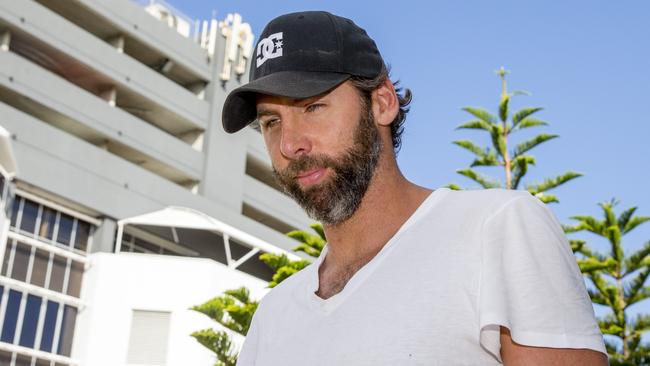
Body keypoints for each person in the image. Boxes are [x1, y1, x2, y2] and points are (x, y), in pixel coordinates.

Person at [221, 10, 608, 366]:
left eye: (313, 107)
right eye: (271, 122)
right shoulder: (272, 318)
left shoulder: (497, 229)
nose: (290, 144)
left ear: (383, 103)